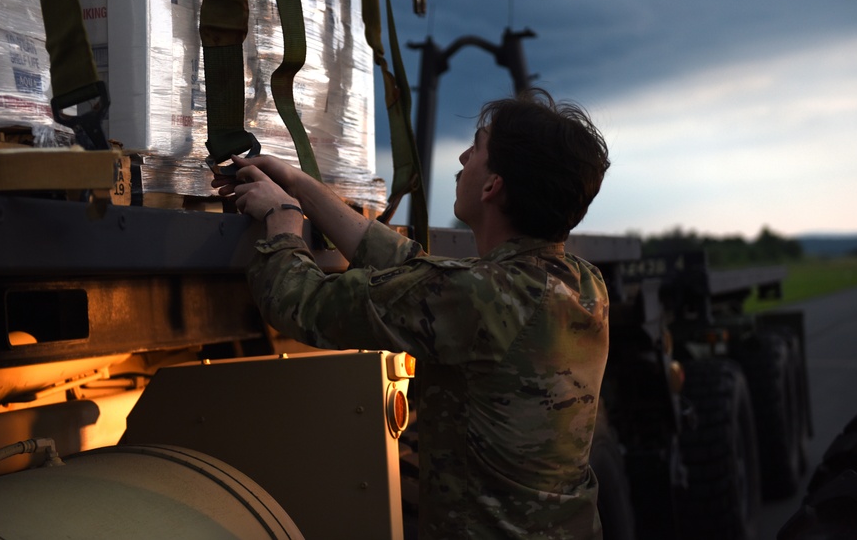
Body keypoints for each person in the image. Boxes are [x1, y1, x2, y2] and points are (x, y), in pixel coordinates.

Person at [213, 88, 611, 539]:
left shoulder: (480, 297)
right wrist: (300, 185)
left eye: (476, 147)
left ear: (491, 186)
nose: (462, 157)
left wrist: (282, 220)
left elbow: (298, 302)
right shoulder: (580, 283)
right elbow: (416, 268)